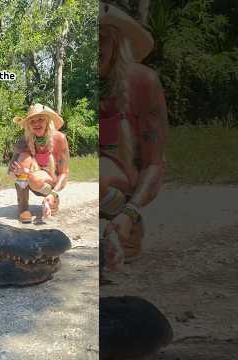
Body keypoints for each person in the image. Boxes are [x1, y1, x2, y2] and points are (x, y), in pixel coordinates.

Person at [99, 2, 168, 263]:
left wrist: (129, 211)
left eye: (100, 39)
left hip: (123, 176)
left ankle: (126, 222)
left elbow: (154, 163)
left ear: (116, 42)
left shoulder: (143, 82)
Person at [9, 103, 70, 223]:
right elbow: (11, 171)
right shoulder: (23, 141)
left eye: (41, 119)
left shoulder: (59, 138)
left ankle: (51, 200)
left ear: (47, 121)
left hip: (50, 182)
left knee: (37, 179)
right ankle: (23, 207)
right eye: (32, 121)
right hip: (30, 179)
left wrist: (54, 193)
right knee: (23, 158)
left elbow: (64, 173)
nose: (36, 124)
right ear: (28, 125)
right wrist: (19, 172)